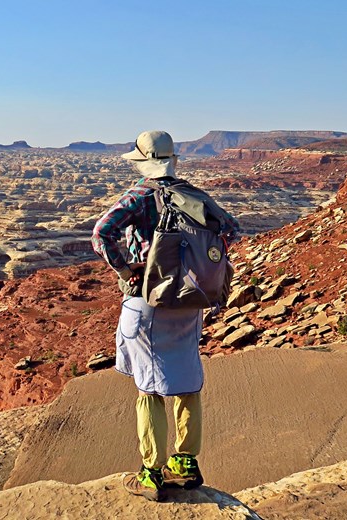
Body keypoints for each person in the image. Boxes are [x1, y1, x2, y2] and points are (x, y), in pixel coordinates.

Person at [91, 130, 239, 502]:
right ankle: (186, 465)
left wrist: (128, 271)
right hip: (189, 300)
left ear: (143, 161)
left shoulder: (141, 194)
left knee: (149, 388)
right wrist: (193, 263)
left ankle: (151, 474)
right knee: (187, 381)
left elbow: (101, 233)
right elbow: (231, 230)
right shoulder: (192, 194)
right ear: (173, 159)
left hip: (149, 302)